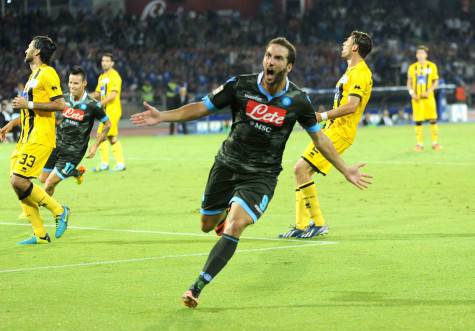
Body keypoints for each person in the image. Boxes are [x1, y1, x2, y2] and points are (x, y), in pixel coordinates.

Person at [131, 37, 372, 308]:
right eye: (268, 56)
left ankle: (197, 287)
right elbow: (201, 107)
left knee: (236, 225)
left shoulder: (298, 100)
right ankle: (222, 216)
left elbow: (319, 139)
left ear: (289, 66)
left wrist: (345, 170)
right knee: (207, 225)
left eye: (278, 58)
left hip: (261, 176)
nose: (271, 61)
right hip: (226, 165)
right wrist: (163, 116)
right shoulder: (240, 85)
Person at [279, 31, 373, 239]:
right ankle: (301, 225)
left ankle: (318, 224)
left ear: (355, 47)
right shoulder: (350, 71)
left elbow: (351, 106)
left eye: (348, 41)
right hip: (333, 128)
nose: (344, 44)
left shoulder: (360, 73)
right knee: (301, 172)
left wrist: (321, 115)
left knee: (300, 168)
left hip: (340, 130)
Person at [0, 36, 70, 244]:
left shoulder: (48, 74)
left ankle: (59, 210)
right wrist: (11, 124)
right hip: (25, 138)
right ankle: (39, 234)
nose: (25, 50)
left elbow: (60, 105)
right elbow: (27, 111)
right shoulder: (33, 77)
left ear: (37, 51)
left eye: (29, 46)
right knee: (17, 184)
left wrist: (27, 105)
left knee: (18, 180)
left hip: (40, 137)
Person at [39, 66, 111, 196]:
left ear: (84, 83)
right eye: (70, 82)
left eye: (76, 83)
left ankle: (56, 211)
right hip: (56, 146)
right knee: (42, 179)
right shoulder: (63, 100)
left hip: (74, 151)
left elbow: (107, 124)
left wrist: (95, 145)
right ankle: (76, 172)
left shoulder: (93, 105)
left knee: (49, 183)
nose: (72, 86)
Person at [91, 53, 125, 171]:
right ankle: (106, 163)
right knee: (104, 136)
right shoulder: (101, 77)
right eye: (103, 60)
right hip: (105, 111)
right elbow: (97, 93)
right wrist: (85, 97)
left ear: (112, 63)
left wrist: (100, 103)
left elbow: (113, 95)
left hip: (113, 110)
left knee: (106, 135)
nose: (104, 62)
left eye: (107, 61)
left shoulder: (115, 76)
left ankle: (119, 163)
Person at [407, 45, 441, 151]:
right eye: (418, 53)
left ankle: (435, 143)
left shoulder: (432, 66)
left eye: (422, 53)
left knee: (433, 120)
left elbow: (436, 81)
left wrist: (429, 91)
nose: (420, 55)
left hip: (428, 98)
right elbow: (409, 82)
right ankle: (419, 144)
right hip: (416, 99)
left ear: (426, 55)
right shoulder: (412, 67)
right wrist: (412, 93)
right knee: (418, 121)